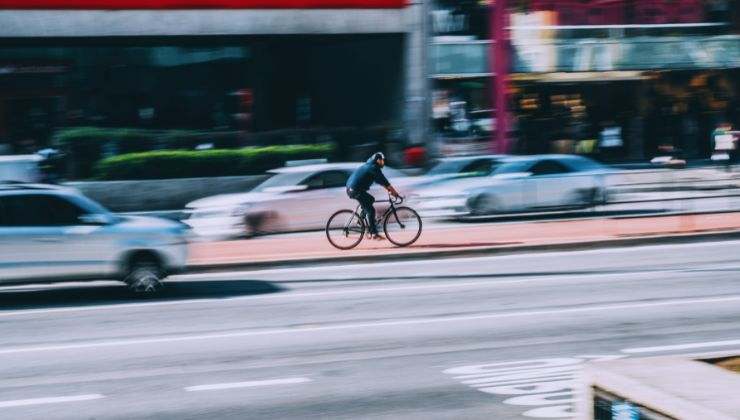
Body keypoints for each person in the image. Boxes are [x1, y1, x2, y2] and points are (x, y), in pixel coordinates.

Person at [346, 152, 401, 240]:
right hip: (355, 190)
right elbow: (385, 182)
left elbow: (381, 182)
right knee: (371, 210)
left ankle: (361, 220)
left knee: (371, 199)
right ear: (378, 160)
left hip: (353, 189)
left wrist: (390, 190)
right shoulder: (373, 168)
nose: (384, 162)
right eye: (383, 161)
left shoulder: (371, 166)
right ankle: (374, 233)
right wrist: (395, 194)